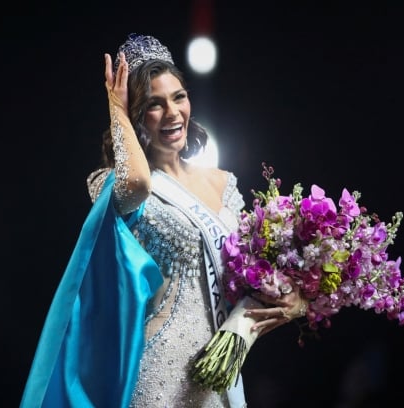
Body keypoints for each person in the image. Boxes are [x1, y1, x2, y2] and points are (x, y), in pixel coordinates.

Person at [20, 33, 307, 408]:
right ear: (136, 116)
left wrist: (294, 301)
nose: (172, 113)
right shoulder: (115, 184)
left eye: (178, 97)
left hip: (218, 379)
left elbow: (244, 282)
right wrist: (115, 104)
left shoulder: (225, 184)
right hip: (157, 375)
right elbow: (138, 181)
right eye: (154, 105)